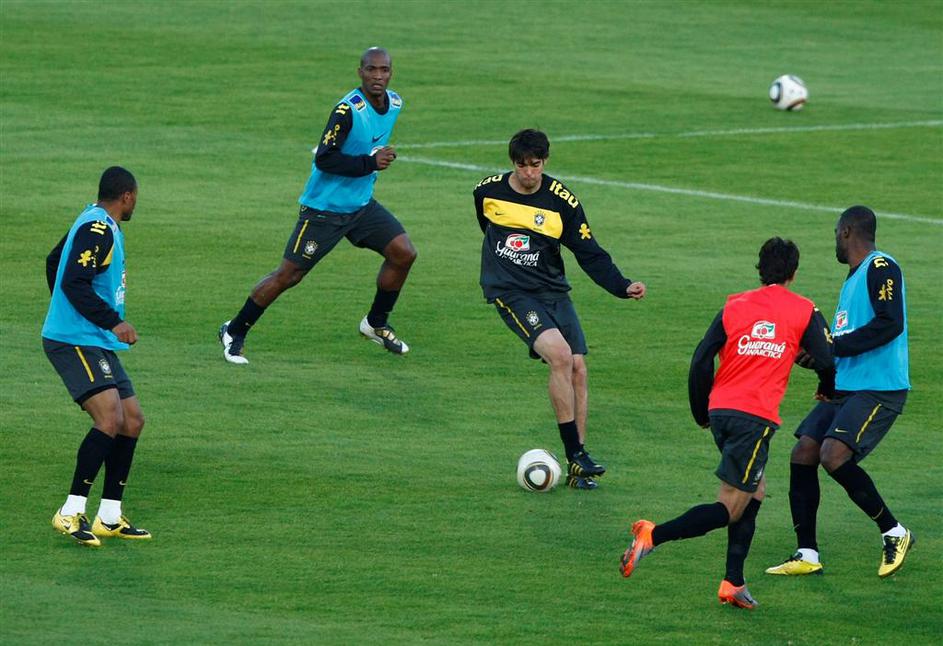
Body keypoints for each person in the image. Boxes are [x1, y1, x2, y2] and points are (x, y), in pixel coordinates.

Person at [620, 237, 834, 609]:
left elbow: (701, 359)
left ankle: (733, 581)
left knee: (756, 490)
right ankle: (652, 536)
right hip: (754, 418)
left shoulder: (734, 305)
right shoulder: (804, 309)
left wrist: (701, 413)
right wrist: (826, 389)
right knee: (730, 506)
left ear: (760, 270)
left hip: (721, 412)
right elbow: (827, 359)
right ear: (794, 273)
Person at [473, 129, 646, 490]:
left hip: (553, 291)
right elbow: (487, 227)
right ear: (512, 163)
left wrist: (621, 285)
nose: (528, 173)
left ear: (545, 161)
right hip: (511, 292)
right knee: (561, 356)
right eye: (522, 165)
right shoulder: (487, 191)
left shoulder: (561, 202)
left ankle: (577, 466)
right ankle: (575, 453)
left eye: (535, 165)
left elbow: (589, 253)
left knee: (578, 368)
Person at [219, 46, 416, 363]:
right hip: (324, 210)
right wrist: (371, 163)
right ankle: (234, 330)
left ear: (391, 73)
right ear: (360, 72)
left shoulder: (394, 103)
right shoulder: (346, 111)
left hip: (360, 206)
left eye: (384, 70)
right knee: (289, 275)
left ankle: (375, 323)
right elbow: (324, 158)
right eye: (371, 69)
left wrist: (373, 161)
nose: (378, 76)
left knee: (403, 253)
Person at [765, 206, 913, 579]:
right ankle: (807, 553)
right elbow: (839, 343)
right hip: (847, 388)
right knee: (804, 452)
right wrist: (820, 366)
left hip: (878, 387)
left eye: (836, 233)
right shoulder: (852, 280)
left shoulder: (881, 267)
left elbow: (890, 323)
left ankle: (894, 531)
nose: (835, 240)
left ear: (847, 231)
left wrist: (833, 347)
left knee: (833, 454)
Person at [43, 166, 151, 546]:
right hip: (74, 340)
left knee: (132, 419)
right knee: (109, 417)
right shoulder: (98, 230)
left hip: (91, 338)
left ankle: (109, 516)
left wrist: (68, 311)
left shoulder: (94, 219)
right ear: (127, 196)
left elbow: (53, 261)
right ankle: (70, 511)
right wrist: (111, 321)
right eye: (135, 198)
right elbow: (72, 280)